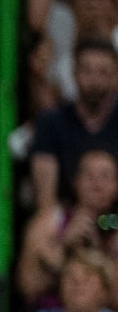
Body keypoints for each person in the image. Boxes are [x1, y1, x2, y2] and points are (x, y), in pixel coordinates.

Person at [18, 149, 118, 302]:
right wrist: (64, 245)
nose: (97, 184)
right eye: (89, 176)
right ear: (76, 182)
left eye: (105, 176)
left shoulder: (114, 231)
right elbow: (28, 288)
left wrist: (105, 255)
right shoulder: (50, 220)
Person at [32, 41, 118, 213]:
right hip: (67, 219)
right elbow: (45, 204)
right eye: (87, 71)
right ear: (74, 73)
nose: (94, 80)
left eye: (103, 72)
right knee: (41, 227)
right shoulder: (51, 122)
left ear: (115, 75)